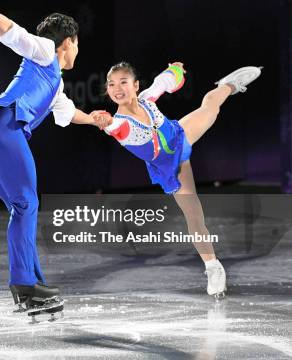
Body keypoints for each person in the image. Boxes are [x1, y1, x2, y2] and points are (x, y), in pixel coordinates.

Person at [0, 0, 110, 311]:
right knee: (26, 203)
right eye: (78, 44)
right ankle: (24, 284)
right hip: (3, 130)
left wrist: (94, 119)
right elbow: (10, 31)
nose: (78, 50)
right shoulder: (45, 51)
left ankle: (31, 282)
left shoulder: (54, 80)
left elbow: (66, 112)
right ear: (69, 42)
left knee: (22, 207)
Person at [99, 61, 262, 297]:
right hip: (170, 165)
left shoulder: (146, 98)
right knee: (194, 214)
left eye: (123, 82)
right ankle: (213, 267)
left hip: (179, 134)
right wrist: (101, 120)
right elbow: (114, 126)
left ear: (135, 85)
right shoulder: (119, 122)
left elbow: (165, 81)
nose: (117, 88)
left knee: (210, 107)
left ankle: (228, 84)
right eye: (111, 84)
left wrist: (175, 70)